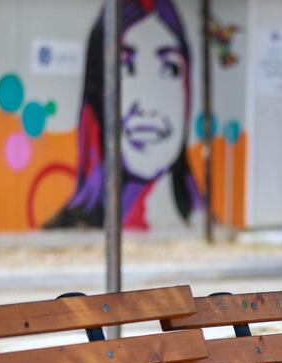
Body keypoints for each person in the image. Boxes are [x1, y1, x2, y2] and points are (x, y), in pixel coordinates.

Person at [46, 0, 201, 230]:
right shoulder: (71, 227)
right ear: (97, 94)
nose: (146, 105)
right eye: (126, 68)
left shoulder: (205, 222)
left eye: (170, 69)